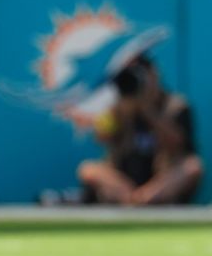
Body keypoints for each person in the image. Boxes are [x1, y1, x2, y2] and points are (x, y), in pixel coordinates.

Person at [75, 53, 202, 206]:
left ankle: (143, 199)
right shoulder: (119, 106)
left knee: (192, 167)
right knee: (88, 169)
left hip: (160, 182)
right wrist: (121, 111)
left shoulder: (175, 105)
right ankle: (133, 199)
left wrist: (148, 110)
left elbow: (178, 144)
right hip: (124, 182)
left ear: (154, 75)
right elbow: (101, 137)